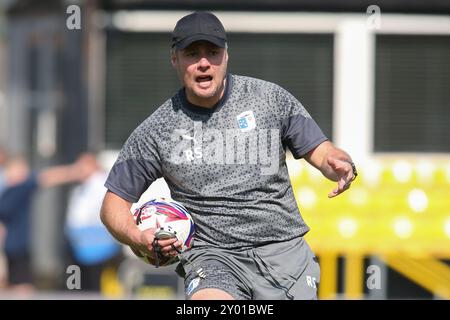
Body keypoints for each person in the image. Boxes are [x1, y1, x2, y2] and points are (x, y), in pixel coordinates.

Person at [100, 11, 357, 300]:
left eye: (213, 52)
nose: (204, 63)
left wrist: (338, 162)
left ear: (226, 55)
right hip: (212, 258)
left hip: (282, 255)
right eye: (192, 54)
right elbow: (113, 204)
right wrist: (137, 237)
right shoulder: (158, 129)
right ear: (175, 59)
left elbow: (322, 151)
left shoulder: (269, 99)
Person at [0, 155, 83, 293]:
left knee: (22, 286)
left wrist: (73, 171)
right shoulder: (8, 191)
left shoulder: (23, 187)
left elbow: (48, 177)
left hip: (20, 246)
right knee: (12, 285)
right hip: (9, 247)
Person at [65, 153, 122, 292]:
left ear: (93, 166)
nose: (77, 170)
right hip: (81, 249)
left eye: (82, 166)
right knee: (79, 287)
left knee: (97, 289)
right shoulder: (80, 188)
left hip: (101, 250)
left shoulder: (102, 184)